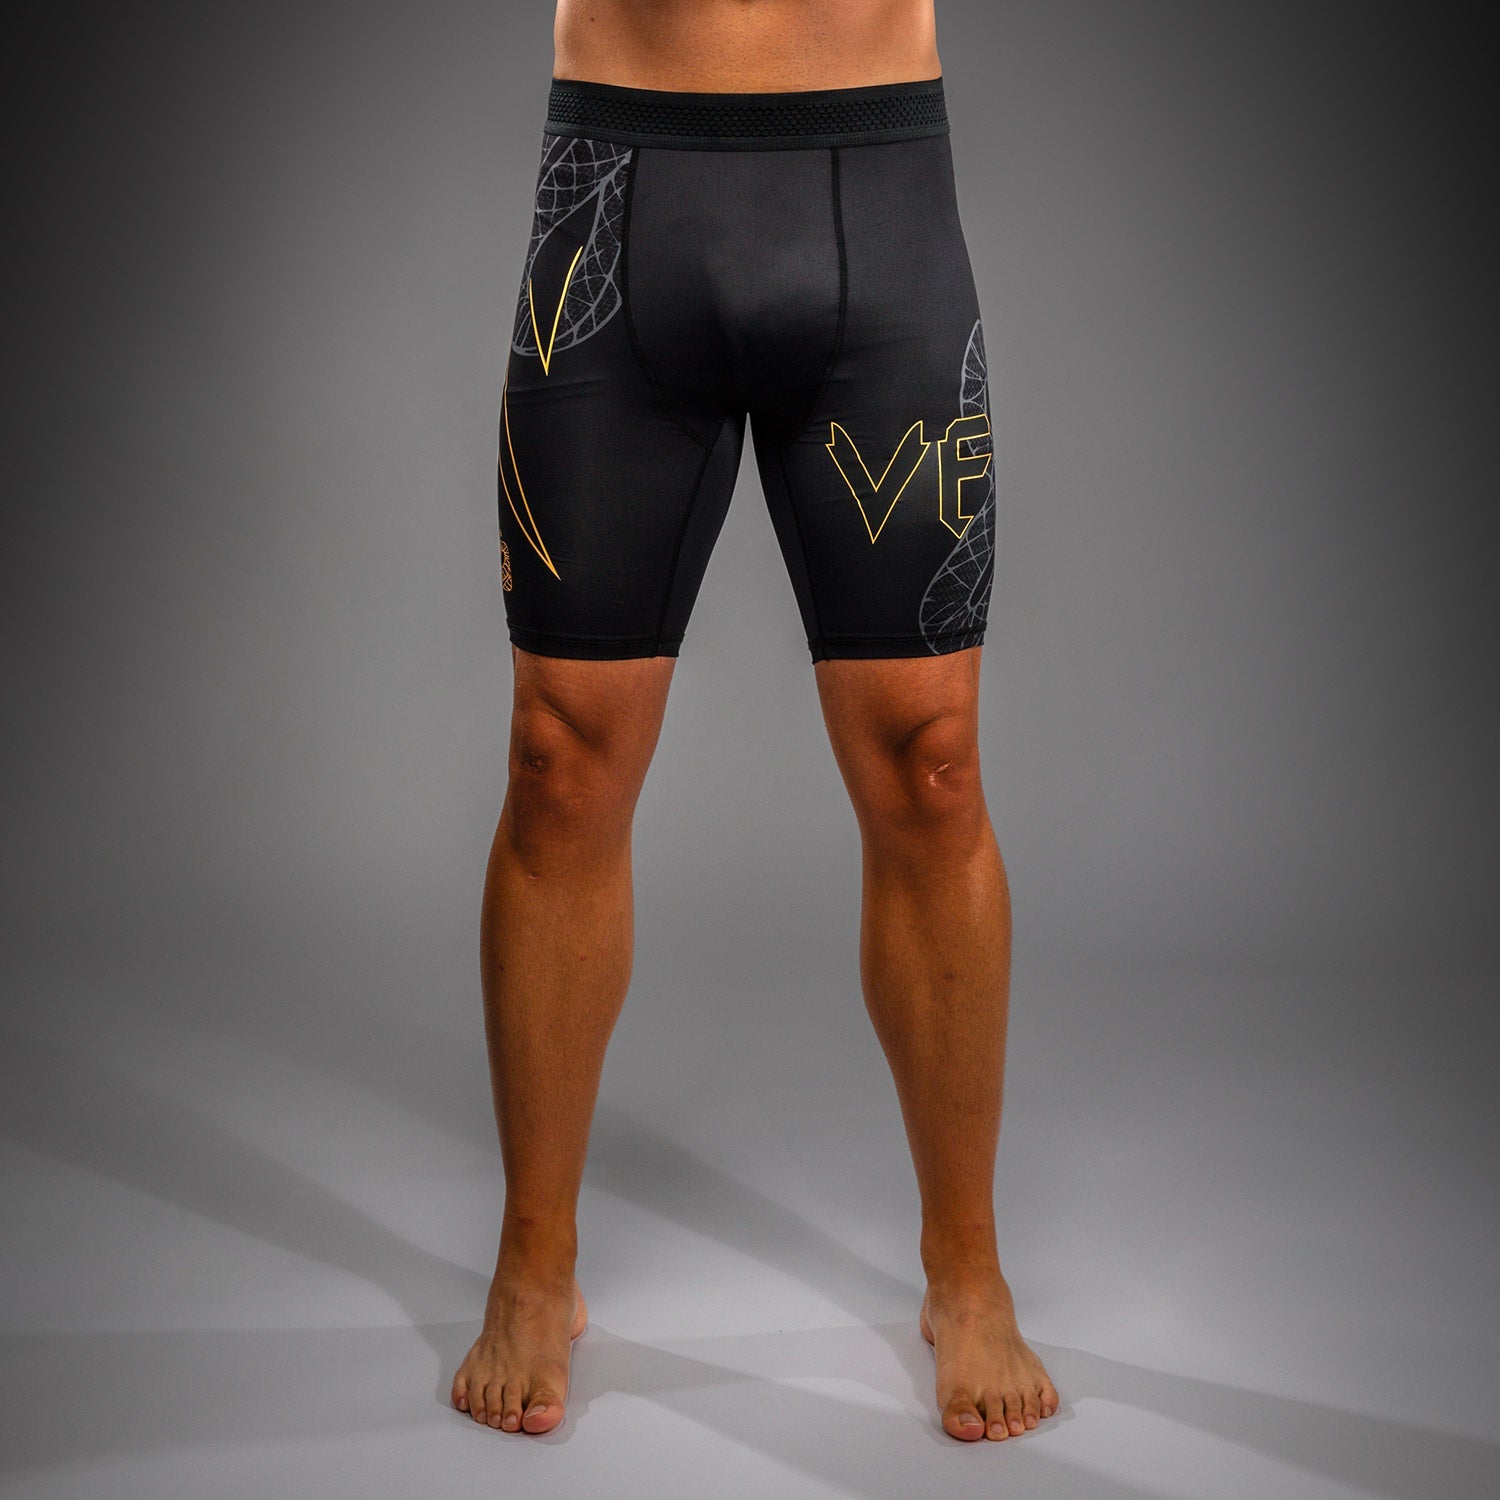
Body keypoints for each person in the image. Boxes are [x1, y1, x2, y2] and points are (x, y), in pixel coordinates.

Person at [452, 0, 1060, 1443]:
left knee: (932, 765)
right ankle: (535, 1258)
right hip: (617, 185)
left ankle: (966, 1268)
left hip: (875, 189)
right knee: (556, 759)